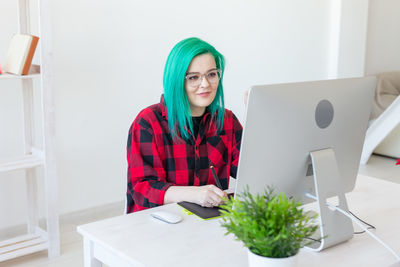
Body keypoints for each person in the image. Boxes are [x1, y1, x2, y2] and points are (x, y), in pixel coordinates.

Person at [126, 37, 243, 213]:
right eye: (193, 77)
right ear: (177, 81)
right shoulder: (148, 122)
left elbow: (249, 171)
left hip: (209, 222)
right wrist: (195, 194)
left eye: (211, 74)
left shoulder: (227, 120)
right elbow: (142, 188)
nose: (205, 84)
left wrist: (258, 119)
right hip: (157, 224)